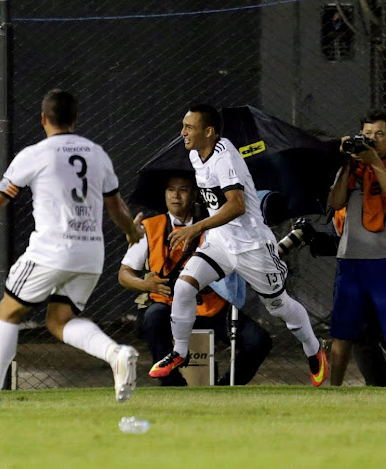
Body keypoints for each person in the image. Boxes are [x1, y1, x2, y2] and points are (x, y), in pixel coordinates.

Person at [0, 89, 143, 411]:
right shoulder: (96, 153)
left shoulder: (35, 154)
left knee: (8, 311)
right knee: (59, 321)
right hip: (91, 254)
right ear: (75, 119)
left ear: (43, 119)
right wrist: (132, 231)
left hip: (52, 251)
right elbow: (116, 205)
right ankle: (115, 354)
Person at [148, 104, 327, 386]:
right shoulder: (195, 154)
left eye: (189, 127)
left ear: (209, 131)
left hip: (251, 246)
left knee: (278, 305)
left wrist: (195, 228)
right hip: (219, 242)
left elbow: (237, 206)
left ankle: (313, 348)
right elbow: (213, 200)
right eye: (183, 126)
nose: (183, 132)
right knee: (183, 286)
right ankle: (179, 352)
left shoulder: (225, 157)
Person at [119, 174, 272, 386]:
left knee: (259, 341)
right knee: (153, 318)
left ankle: (227, 387)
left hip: (210, 305)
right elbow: (124, 274)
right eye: (170, 190)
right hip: (168, 304)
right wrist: (145, 284)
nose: (175, 195)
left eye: (183, 189)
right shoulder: (149, 227)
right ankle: (173, 385)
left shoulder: (215, 226)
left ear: (194, 194)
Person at [327, 109, 386, 386]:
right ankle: (333, 391)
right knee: (342, 331)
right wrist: (346, 165)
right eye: (367, 134)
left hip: (383, 261)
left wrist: (376, 163)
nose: (372, 139)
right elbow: (336, 203)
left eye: (380, 134)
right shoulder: (353, 168)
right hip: (350, 260)